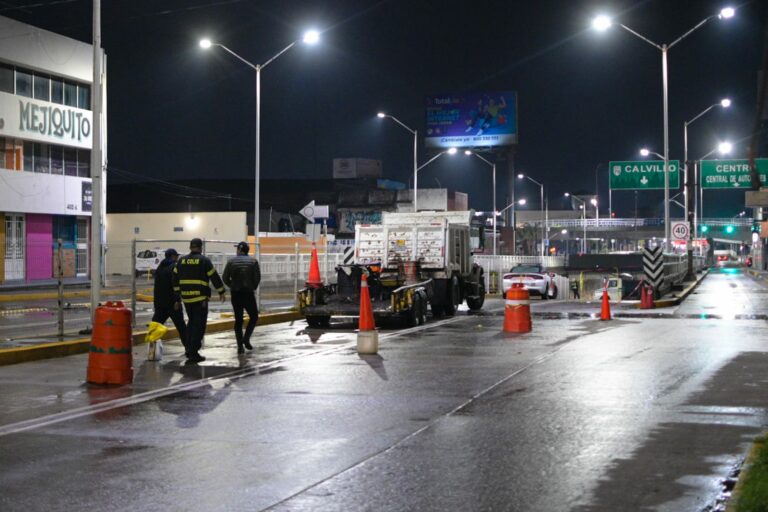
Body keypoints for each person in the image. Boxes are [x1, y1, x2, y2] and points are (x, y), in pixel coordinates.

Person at [172, 238, 225, 364]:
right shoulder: (204, 261)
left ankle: (189, 349)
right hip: (200, 299)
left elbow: (174, 279)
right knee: (199, 326)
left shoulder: (181, 261)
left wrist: (177, 297)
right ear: (201, 248)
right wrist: (221, 291)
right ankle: (193, 352)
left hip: (186, 298)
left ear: (190, 247)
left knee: (191, 324)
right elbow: (214, 276)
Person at [222, 241, 261, 354]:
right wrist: (252, 287)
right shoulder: (253, 261)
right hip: (248, 293)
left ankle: (240, 346)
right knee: (254, 317)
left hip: (236, 294)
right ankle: (246, 338)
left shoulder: (231, 261)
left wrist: (232, 286)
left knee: (238, 320)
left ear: (239, 249)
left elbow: (225, 278)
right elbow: (257, 278)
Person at [151, 248, 187, 348]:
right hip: (172, 303)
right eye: (176, 256)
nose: (177, 258)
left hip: (160, 303)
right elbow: (175, 285)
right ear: (172, 256)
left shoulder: (160, 267)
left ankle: (152, 350)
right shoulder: (174, 267)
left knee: (155, 327)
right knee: (181, 327)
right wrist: (177, 300)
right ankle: (189, 350)